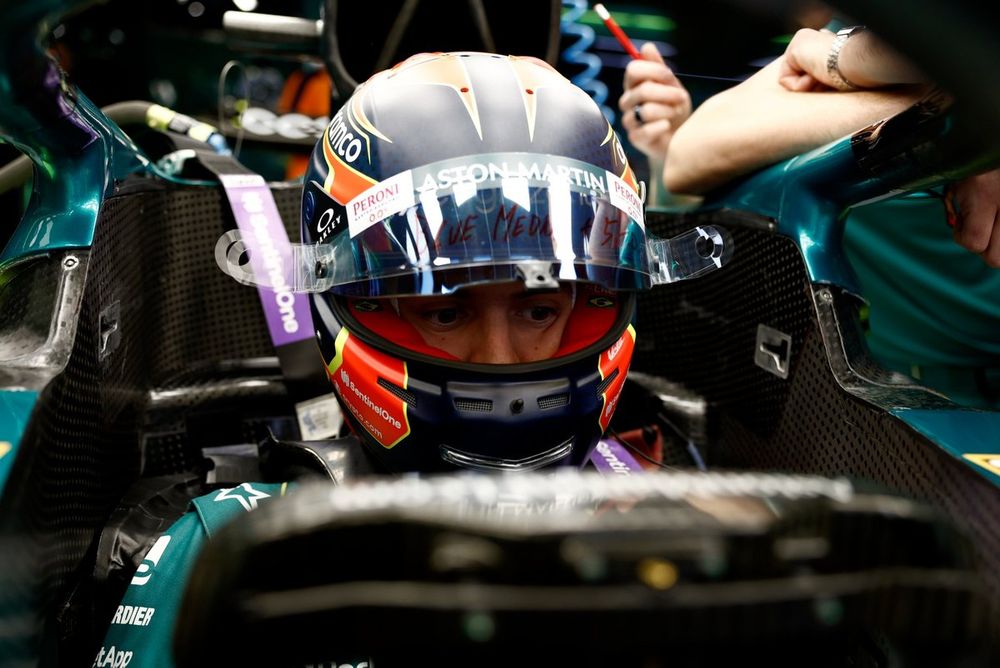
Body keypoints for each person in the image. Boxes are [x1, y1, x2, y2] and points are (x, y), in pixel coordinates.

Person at [94, 51, 725, 666]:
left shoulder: (690, 542)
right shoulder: (232, 553)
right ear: (348, 306)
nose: (500, 361)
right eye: (445, 312)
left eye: (539, 310)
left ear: (598, 303)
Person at [619, 17, 1000, 408]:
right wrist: (961, 118)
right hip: (919, 387)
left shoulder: (826, 57)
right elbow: (689, 154)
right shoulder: (834, 38)